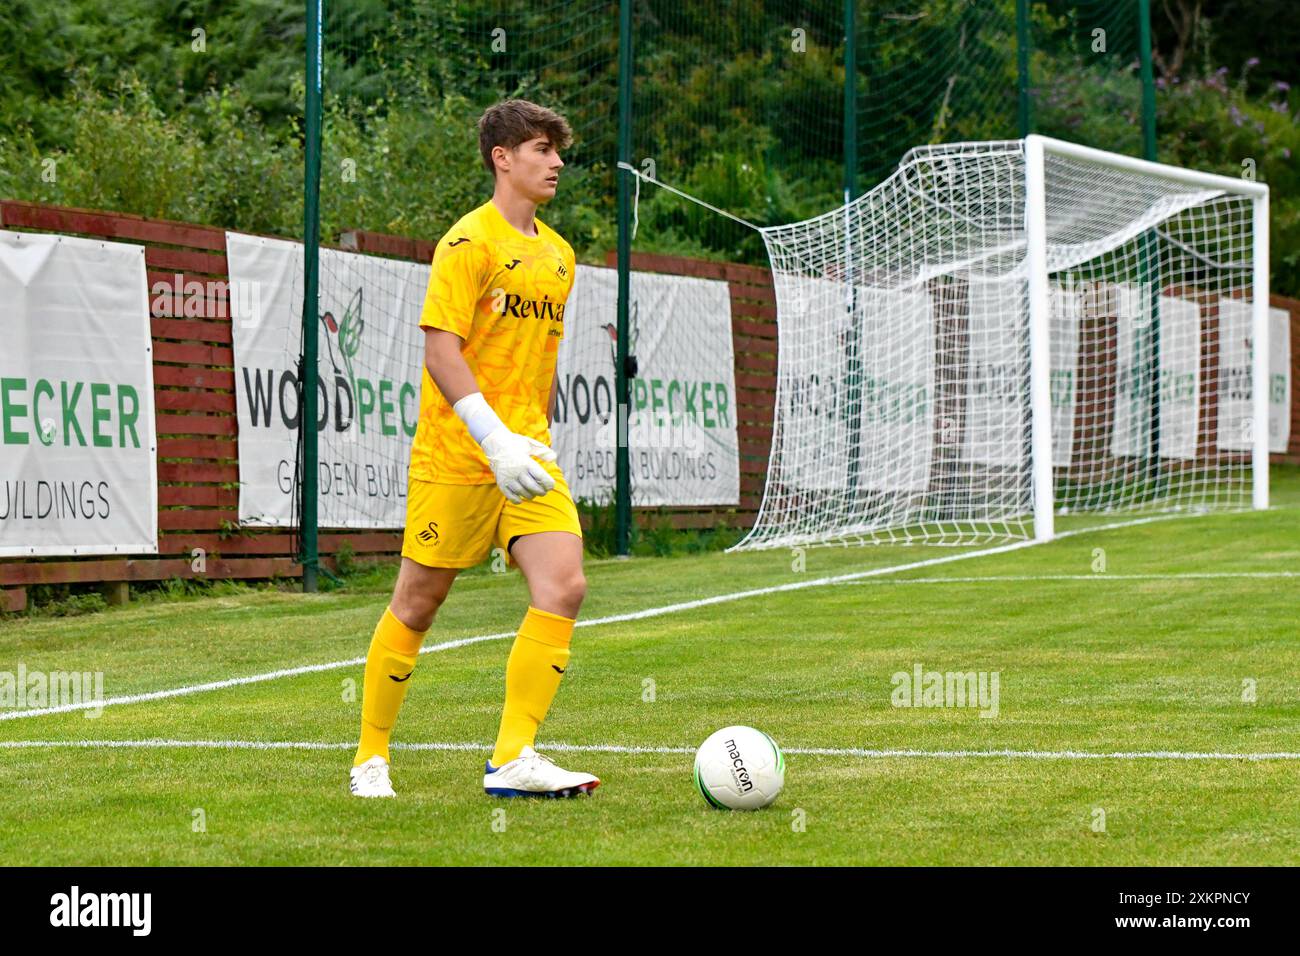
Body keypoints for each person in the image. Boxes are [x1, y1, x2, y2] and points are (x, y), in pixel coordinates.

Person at [349, 99, 597, 799]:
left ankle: (514, 758)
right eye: (542, 149)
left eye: (558, 152)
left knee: (565, 586)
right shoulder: (468, 244)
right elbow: (439, 349)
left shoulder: (559, 256)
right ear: (503, 157)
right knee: (418, 604)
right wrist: (492, 439)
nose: (555, 163)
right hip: (459, 456)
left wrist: (527, 443)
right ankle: (370, 758)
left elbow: (536, 365)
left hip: (530, 456)